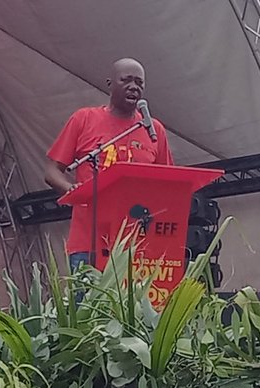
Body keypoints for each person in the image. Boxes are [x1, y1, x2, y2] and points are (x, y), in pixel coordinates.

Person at [44, 58, 172, 269]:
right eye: (126, 80)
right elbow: (51, 170)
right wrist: (72, 189)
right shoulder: (84, 119)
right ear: (109, 83)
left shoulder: (154, 130)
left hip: (138, 245)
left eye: (139, 83)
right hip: (89, 244)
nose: (134, 87)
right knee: (88, 302)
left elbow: (167, 183)